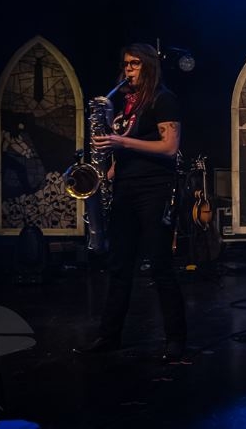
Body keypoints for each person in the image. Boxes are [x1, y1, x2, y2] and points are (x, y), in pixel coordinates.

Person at [74, 42, 188, 362]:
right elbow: (127, 146)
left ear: (149, 66)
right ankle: (109, 336)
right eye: (126, 64)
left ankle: (176, 339)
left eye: (135, 64)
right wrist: (108, 169)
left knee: (160, 265)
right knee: (119, 266)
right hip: (126, 188)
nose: (128, 69)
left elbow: (169, 147)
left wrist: (121, 142)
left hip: (155, 189)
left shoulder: (163, 99)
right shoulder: (125, 103)